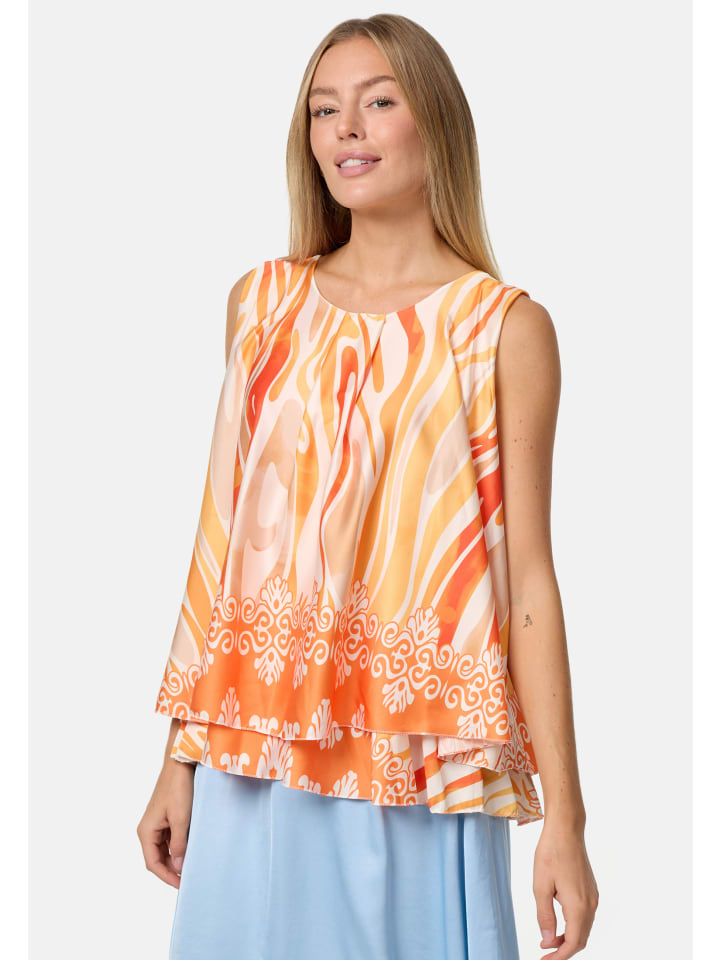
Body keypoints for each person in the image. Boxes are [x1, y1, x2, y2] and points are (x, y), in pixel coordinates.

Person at [136, 13, 598, 960]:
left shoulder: (501, 330)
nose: (346, 128)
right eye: (323, 109)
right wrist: (177, 758)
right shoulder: (262, 307)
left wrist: (566, 819)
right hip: (255, 750)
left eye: (378, 102)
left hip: (421, 758)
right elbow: (222, 545)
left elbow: (530, 585)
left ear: (437, 121)